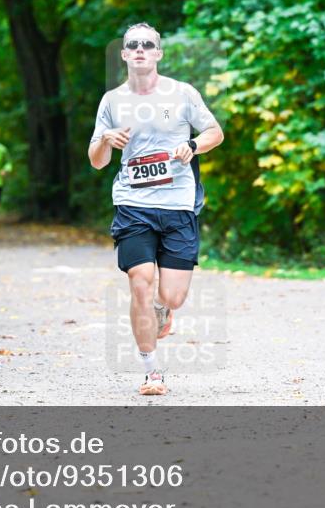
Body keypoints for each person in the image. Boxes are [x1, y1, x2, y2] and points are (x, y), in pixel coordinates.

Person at [88, 22, 224, 395]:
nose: (141, 49)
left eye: (148, 44)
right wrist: (105, 140)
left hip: (178, 204)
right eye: (133, 44)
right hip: (133, 204)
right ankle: (152, 371)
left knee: (173, 295)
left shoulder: (182, 94)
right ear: (124, 54)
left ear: (158, 53)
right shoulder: (112, 101)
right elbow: (97, 161)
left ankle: (165, 310)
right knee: (140, 283)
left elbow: (215, 133)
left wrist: (193, 146)